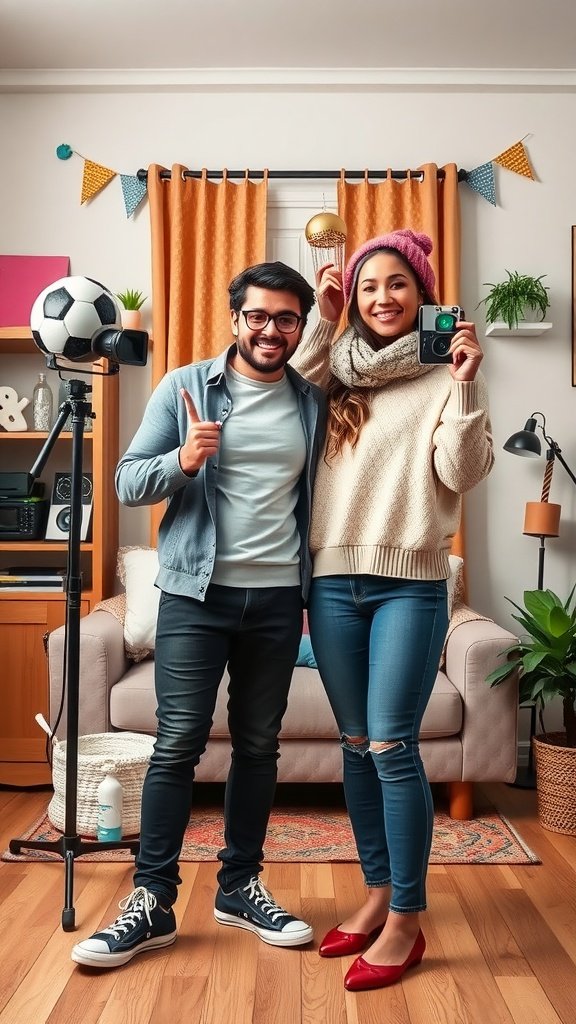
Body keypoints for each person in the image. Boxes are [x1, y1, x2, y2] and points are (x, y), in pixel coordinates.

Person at [71, 261, 326, 968]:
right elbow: (124, 480)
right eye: (258, 316)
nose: (271, 330)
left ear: (301, 327)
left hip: (277, 599)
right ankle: (151, 900)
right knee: (178, 743)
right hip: (194, 593)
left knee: (258, 745)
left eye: (286, 319)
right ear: (235, 317)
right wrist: (181, 460)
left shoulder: (312, 401)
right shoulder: (184, 386)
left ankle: (240, 886)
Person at [290, 229, 494, 991]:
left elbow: (461, 471)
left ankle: (406, 918)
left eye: (398, 285)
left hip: (411, 583)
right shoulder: (337, 371)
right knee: (354, 744)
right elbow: (288, 393)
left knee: (391, 748)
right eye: (369, 284)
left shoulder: (446, 370)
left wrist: (469, 386)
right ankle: (377, 893)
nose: (382, 297)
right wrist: (322, 313)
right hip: (331, 583)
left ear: (424, 296)